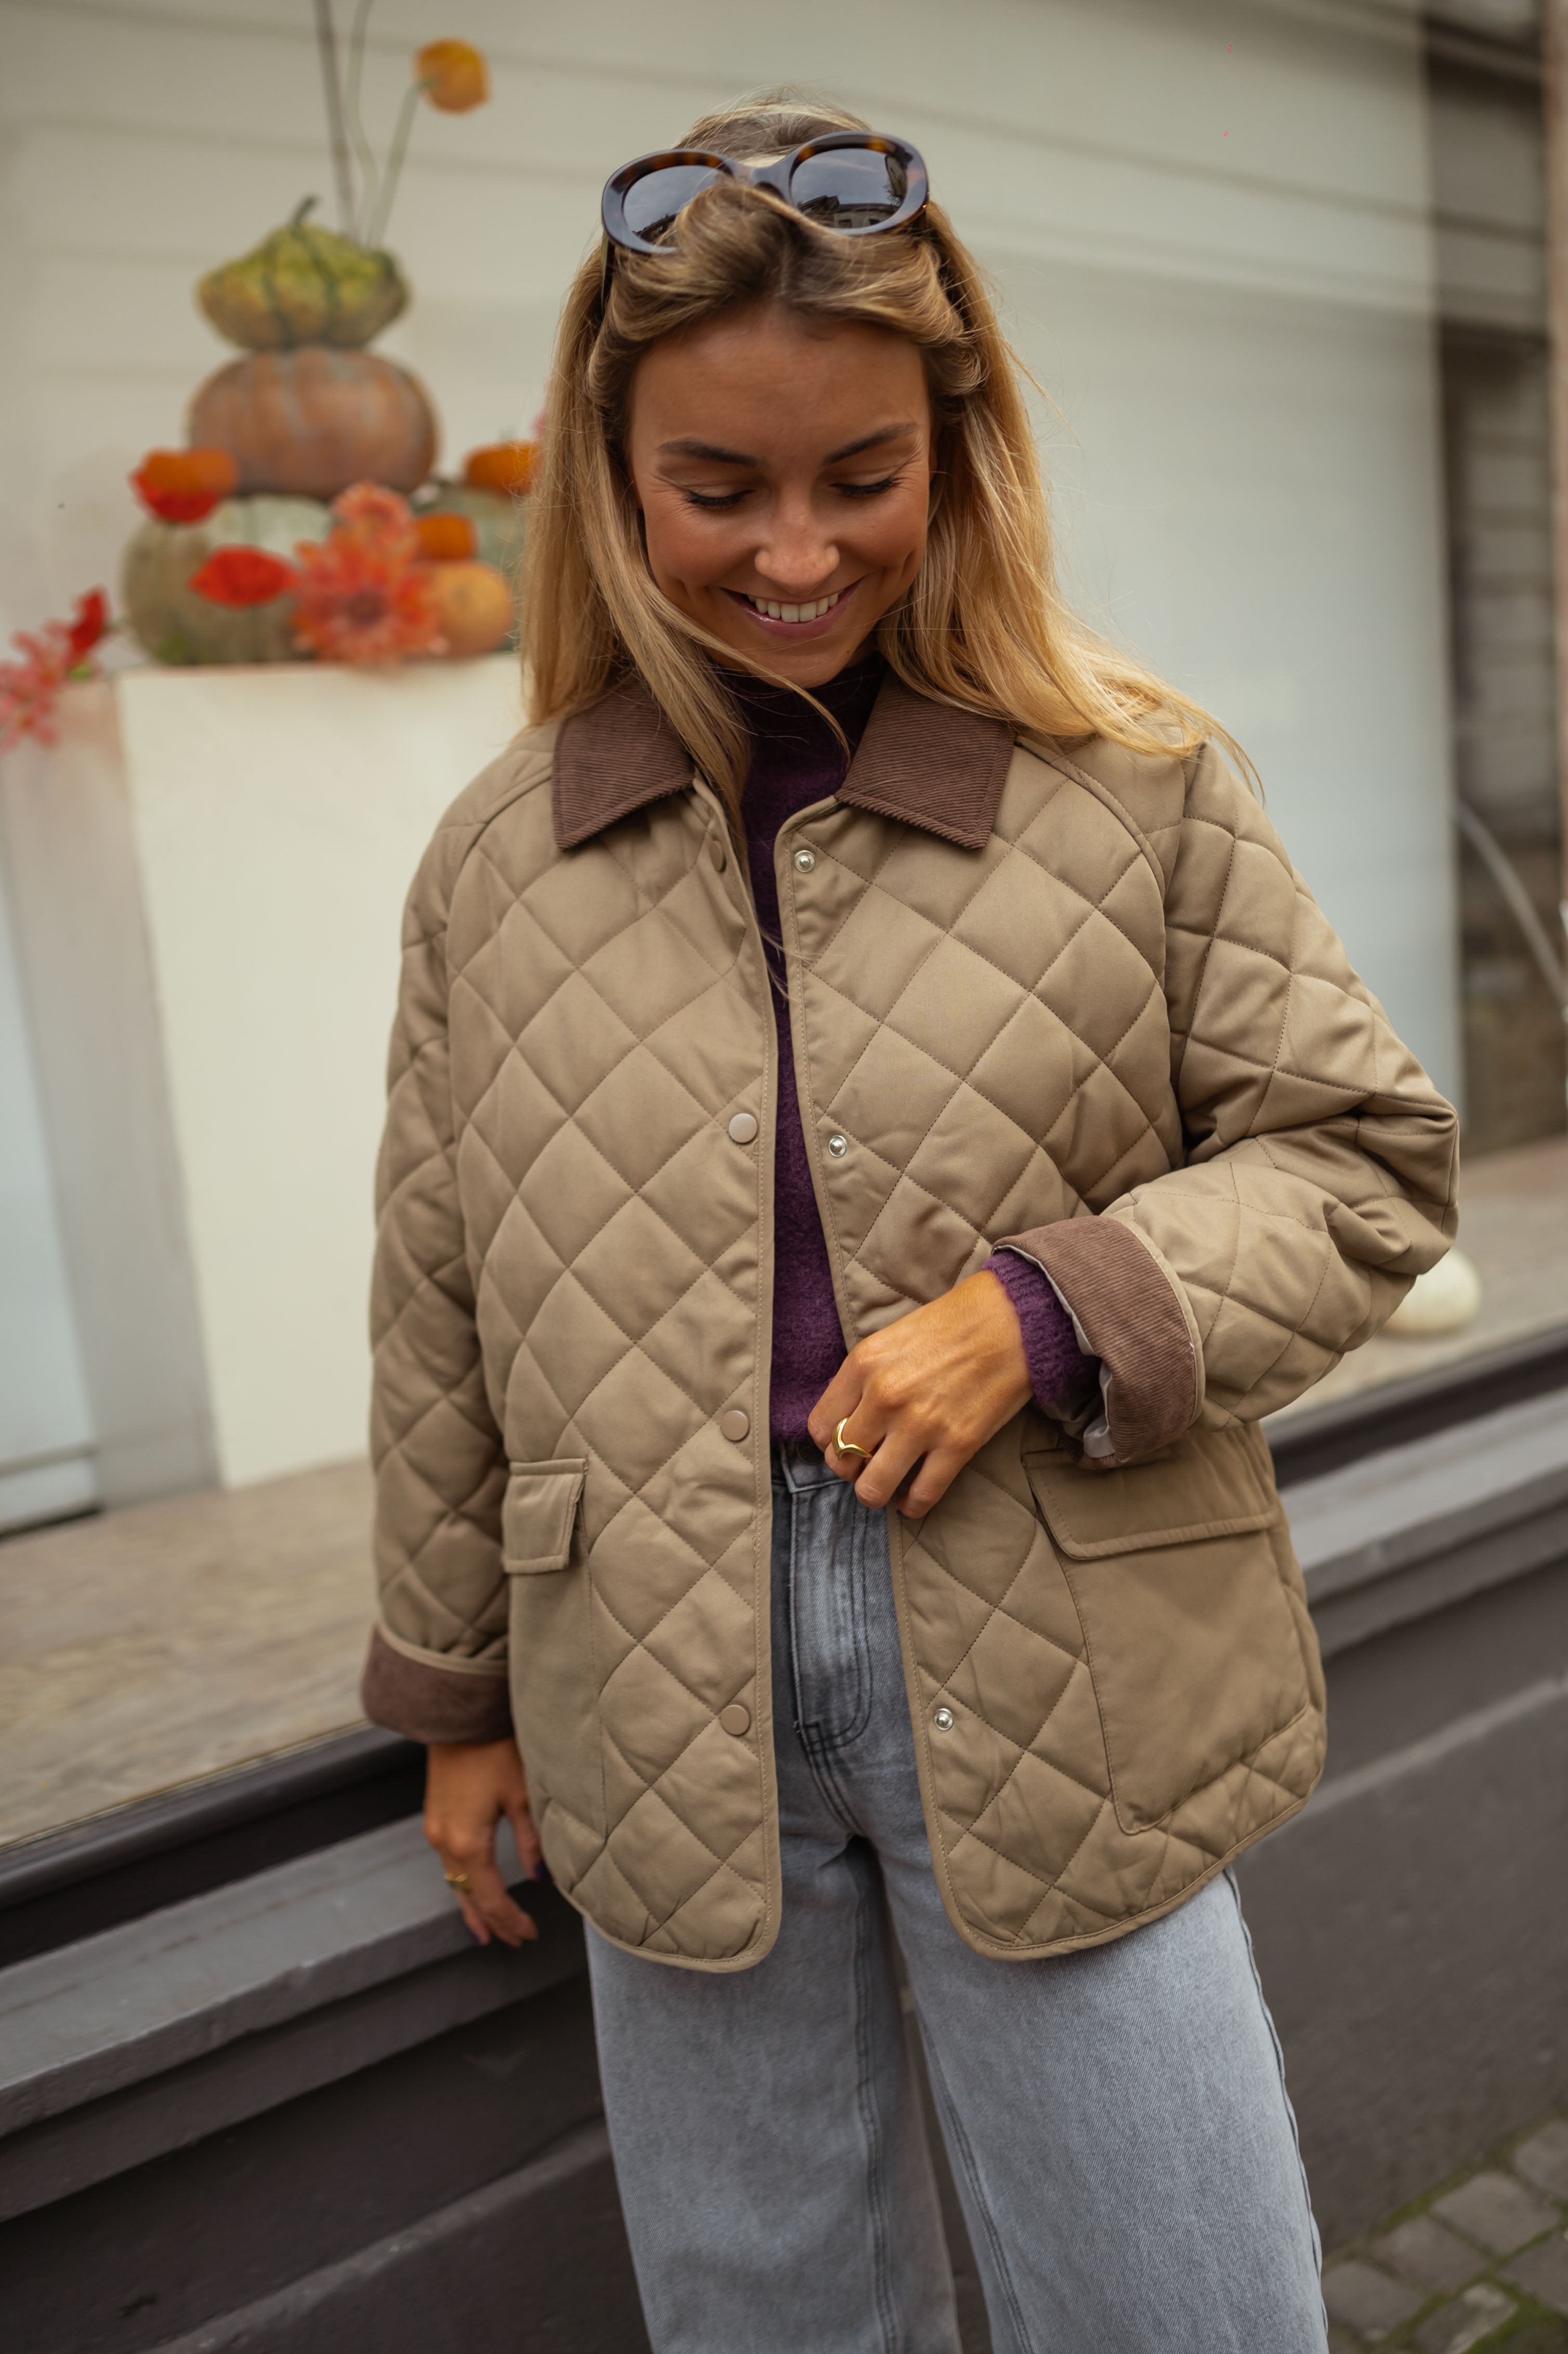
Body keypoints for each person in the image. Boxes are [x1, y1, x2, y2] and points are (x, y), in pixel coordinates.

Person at [361, 93, 1458, 2354]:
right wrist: (457, 1694)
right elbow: (441, 1301)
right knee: (762, 2324)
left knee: (1184, 2316)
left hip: (1057, 1630)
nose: (790, 552)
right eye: (717, 488)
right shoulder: (499, 859)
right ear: (609, 470)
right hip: (650, 1671)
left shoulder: (1135, 780)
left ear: (956, 448)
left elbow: (1363, 1163)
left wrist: (1042, 1310)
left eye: (858, 475)